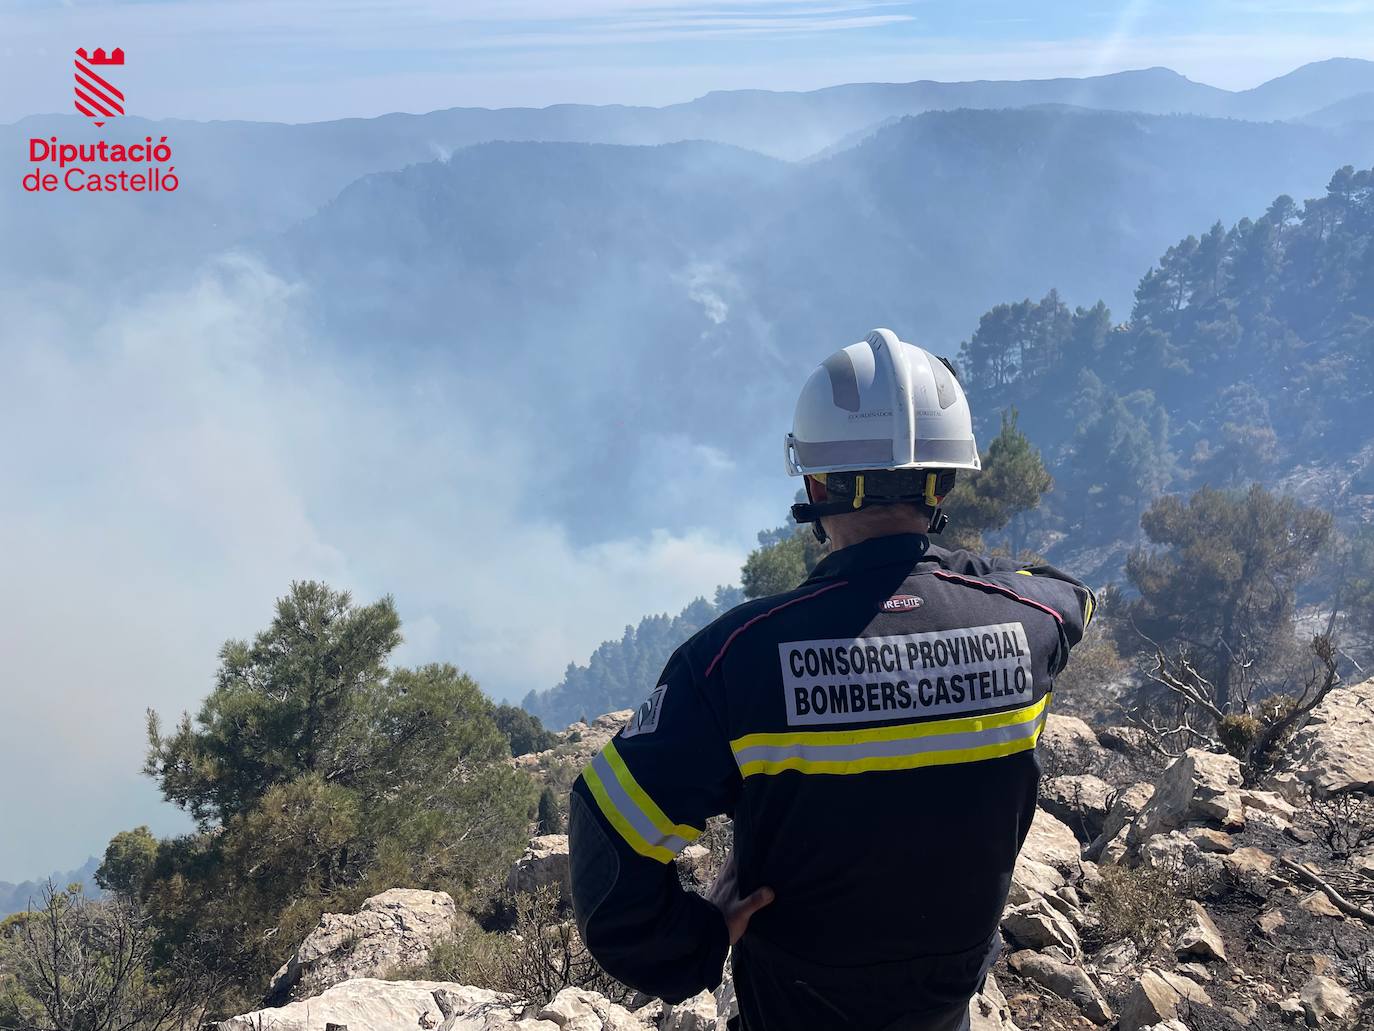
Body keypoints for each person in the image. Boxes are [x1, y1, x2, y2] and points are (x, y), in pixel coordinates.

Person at [568, 328, 1095, 1031]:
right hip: (945, 1001)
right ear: (942, 481)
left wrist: (695, 940)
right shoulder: (1032, 624)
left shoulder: (734, 661)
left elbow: (607, 840)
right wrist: (957, 575)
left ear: (814, 485)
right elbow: (1069, 594)